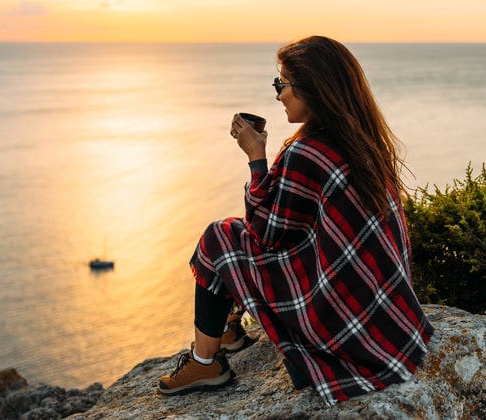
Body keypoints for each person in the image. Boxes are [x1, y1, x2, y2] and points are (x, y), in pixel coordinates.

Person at [157, 36, 434, 405]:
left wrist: (256, 157)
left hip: (336, 318)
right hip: (385, 316)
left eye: (281, 84)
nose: (277, 95)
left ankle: (205, 362)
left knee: (219, 237)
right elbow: (302, 232)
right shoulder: (362, 141)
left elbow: (265, 233)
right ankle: (228, 332)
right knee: (238, 239)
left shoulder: (308, 152)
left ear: (310, 88)